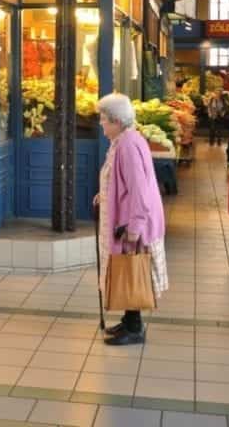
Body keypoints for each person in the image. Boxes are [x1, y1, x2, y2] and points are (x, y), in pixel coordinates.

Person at [94, 94, 168, 346]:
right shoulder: (123, 140)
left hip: (131, 222)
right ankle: (129, 320)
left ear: (116, 121)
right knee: (127, 270)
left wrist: (135, 226)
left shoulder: (127, 145)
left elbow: (139, 189)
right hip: (125, 219)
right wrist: (103, 195)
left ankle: (135, 327)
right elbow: (118, 180)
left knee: (132, 272)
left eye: (103, 120)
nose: (101, 125)